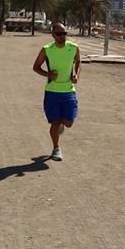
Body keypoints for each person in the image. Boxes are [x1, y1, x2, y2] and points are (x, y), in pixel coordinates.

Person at [32, 22, 81, 161]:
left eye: (64, 33)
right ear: (53, 35)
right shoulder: (47, 49)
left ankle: (61, 125)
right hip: (52, 91)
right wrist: (48, 74)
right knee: (55, 121)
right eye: (59, 34)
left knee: (68, 122)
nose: (62, 36)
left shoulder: (73, 48)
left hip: (68, 91)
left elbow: (78, 62)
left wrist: (76, 74)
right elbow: (36, 67)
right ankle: (56, 148)